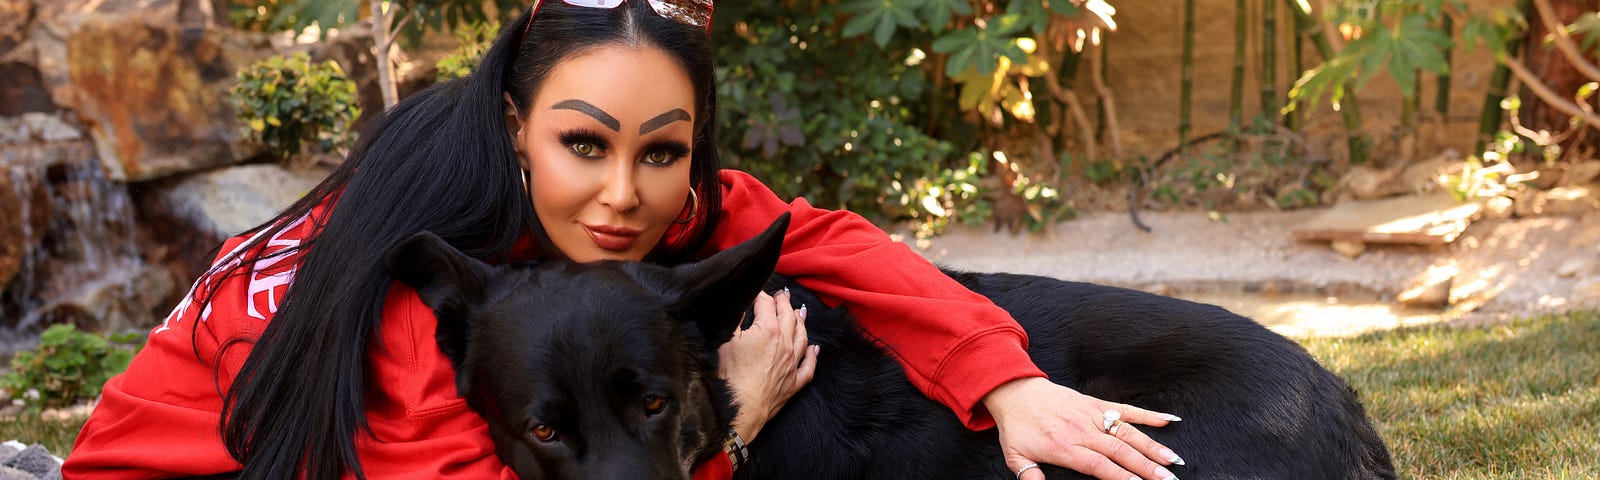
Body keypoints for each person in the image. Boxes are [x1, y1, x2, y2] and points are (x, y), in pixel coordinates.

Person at [64, 1, 1187, 479]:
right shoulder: (410, 291)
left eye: (663, 151)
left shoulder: (626, 197)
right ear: (515, 126)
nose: (623, 195)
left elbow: (829, 239)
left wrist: (1006, 383)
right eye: (585, 145)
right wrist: (731, 425)